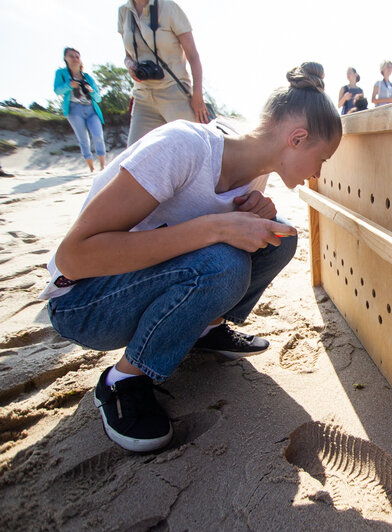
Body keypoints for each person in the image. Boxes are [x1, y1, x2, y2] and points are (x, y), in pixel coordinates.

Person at [40, 62, 342, 453]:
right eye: (322, 159)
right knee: (224, 265)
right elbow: (74, 257)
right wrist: (216, 227)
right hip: (84, 303)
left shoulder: (255, 169)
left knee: (277, 237)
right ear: (297, 138)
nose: (317, 173)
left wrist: (242, 218)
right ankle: (123, 380)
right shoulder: (183, 146)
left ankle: (204, 328)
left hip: (138, 283)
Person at [119, 0, 210, 146]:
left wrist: (197, 95)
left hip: (174, 92)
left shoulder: (169, 7)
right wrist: (130, 65)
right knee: (133, 160)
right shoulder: (124, 12)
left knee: (197, 149)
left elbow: (193, 56)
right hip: (143, 96)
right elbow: (127, 55)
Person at [54, 48, 107, 172]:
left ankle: (103, 166)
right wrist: (69, 85)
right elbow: (57, 90)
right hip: (74, 109)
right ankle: (91, 168)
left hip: (91, 109)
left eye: (77, 56)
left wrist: (91, 91)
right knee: (83, 139)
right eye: (71, 56)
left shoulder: (87, 77)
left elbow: (98, 98)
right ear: (65, 58)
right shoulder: (61, 73)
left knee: (98, 135)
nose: (75, 59)